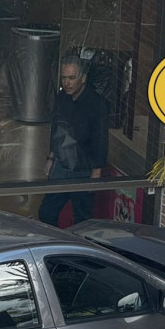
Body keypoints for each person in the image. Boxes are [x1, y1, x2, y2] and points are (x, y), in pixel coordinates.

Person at [38, 55, 109, 227]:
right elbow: (56, 128)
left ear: (83, 78)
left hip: (83, 168)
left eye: (71, 78)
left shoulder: (96, 103)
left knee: (82, 218)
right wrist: (51, 157)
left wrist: (96, 172)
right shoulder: (62, 98)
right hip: (62, 164)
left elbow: (100, 139)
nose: (67, 83)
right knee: (46, 212)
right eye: (64, 78)